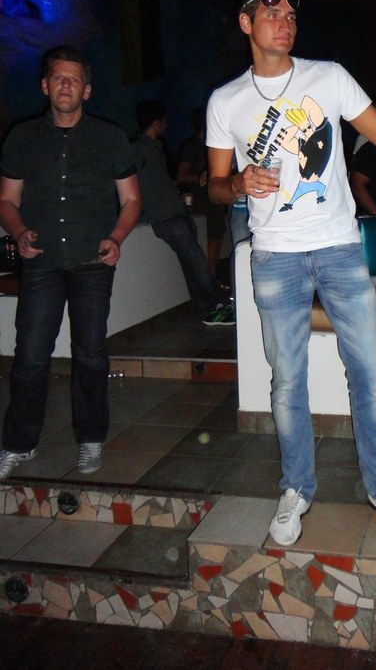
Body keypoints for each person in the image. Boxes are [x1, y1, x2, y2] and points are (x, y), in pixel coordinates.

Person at [205, 0, 376, 547]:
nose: (285, 23)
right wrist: (238, 184)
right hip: (275, 256)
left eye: (291, 16)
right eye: (272, 14)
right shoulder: (225, 101)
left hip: (340, 249)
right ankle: (296, 488)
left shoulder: (328, 77)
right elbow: (215, 186)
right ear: (246, 23)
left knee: (368, 374)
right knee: (287, 382)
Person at [0, 45, 141, 480]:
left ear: (87, 90)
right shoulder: (22, 137)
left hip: (92, 263)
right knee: (30, 355)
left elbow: (131, 200)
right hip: (41, 262)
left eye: (74, 79)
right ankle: (18, 443)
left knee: (90, 354)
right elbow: (6, 200)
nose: (66, 85)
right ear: (45, 85)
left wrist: (116, 238)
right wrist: (18, 232)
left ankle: (91, 438)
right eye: (59, 78)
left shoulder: (110, 137)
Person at [130, 100, 234, 326]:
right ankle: (219, 302)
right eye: (164, 121)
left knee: (191, 264)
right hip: (165, 216)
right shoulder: (138, 149)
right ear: (157, 122)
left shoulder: (155, 147)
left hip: (175, 212)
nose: (167, 124)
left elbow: (162, 181)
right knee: (196, 262)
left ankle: (209, 310)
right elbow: (134, 184)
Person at [177, 106, 228, 277]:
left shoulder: (212, 147)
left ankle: (212, 277)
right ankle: (211, 277)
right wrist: (200, 177)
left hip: (212, 199)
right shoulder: (192, 146)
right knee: (215, 223)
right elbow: (181, 175)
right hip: (198, 200)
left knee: (218, 226)